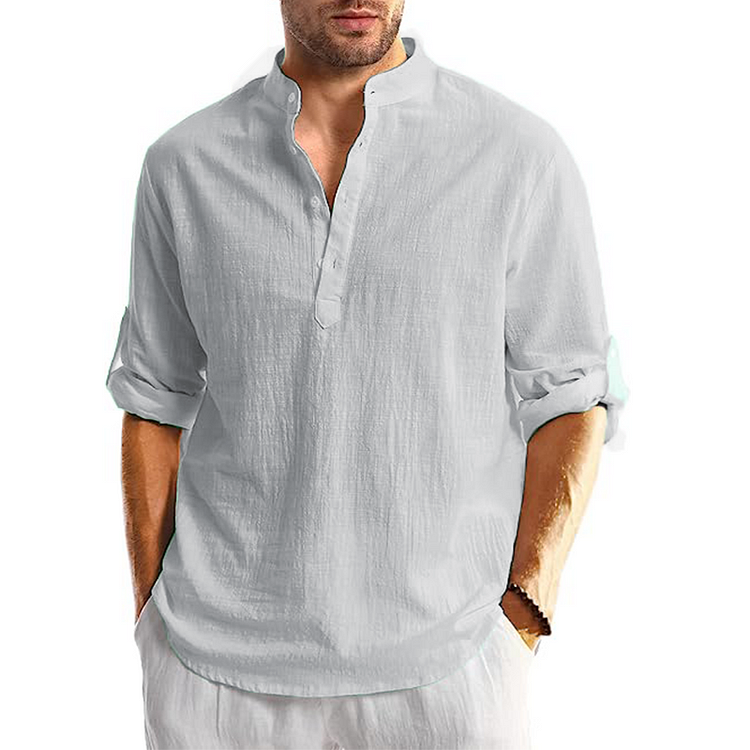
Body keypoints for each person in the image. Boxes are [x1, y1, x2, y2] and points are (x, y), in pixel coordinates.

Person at [106, 1, 629, 748]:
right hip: (211, 675)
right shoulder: (183, 164)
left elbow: (573, 396)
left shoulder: (517, 154)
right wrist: (151, 617)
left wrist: (521, 613)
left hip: (450, 669)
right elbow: (155, 399)